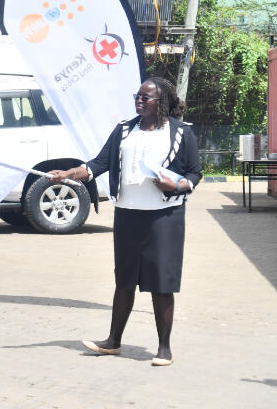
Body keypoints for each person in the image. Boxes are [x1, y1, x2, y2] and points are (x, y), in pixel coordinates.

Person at [49, 77, 202, 367]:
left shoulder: (181, 133)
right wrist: (70, 173)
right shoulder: (124, 130)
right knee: (124, 280)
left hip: (164, 217)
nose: (139, 101)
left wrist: (177, 186)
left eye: (147, 97)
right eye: (138, 96)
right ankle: (113, 342)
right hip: (128, 214)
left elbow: (195, 173)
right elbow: (97, 164)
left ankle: (164, 349)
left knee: (161, 283)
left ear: (162, 102)